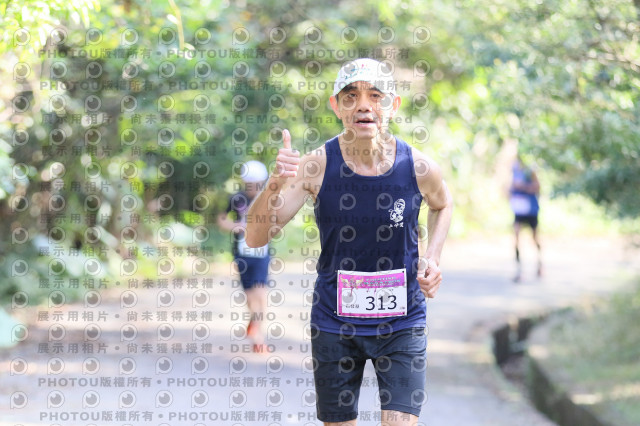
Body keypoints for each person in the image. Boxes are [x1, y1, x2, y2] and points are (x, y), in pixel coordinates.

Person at [246, 58, 453, 426]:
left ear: (393, 105)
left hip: (402, 322)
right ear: (336, 106)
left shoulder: (418, 167)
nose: (363, 105)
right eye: (351, 96)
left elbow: (443, 203)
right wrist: (276, 182)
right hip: (334, 323)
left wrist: (432, 258)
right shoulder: (316, 166)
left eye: (375, 96)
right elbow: (255, 235)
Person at [217, 160, 270, 350]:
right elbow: (222, 219)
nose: (253, 187)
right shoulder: (237, 198)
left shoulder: (268, 198)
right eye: (250, 183)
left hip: (262, 252)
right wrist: (236, 226)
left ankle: (258, 336)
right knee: (249, 296)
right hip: (242, 253)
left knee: (261, 293)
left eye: (257, 183)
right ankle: (253, 323)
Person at [509, 155, 542, 282]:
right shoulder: (514, 171)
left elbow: (537, 186)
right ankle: (519, 270)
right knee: (516, 238)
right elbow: (509, 189)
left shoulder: (530, 171)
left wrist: (522, 186)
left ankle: (539, 264)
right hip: (519, 210)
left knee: (535, 238)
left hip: (531, 209)